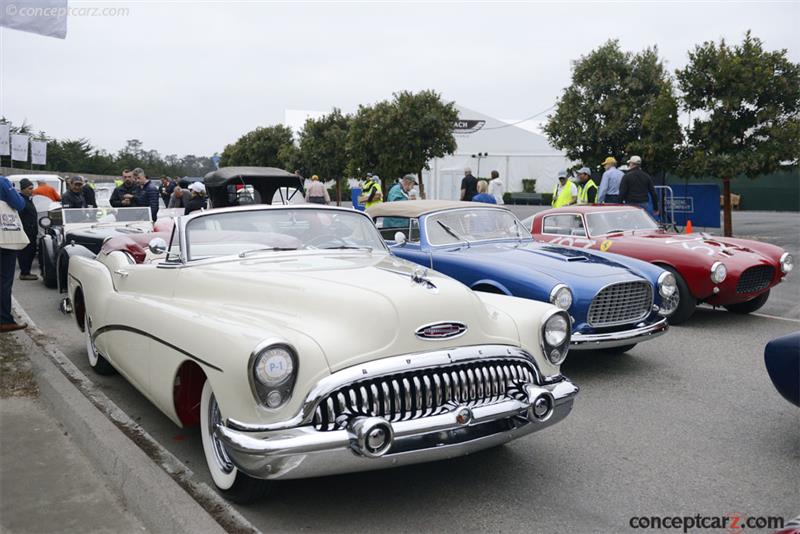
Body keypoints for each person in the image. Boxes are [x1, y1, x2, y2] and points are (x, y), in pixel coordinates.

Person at [1, 175, 28, 332]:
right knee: (4, 279)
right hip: (4, 238)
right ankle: (4, 320)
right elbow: (19, 204)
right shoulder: (2, 182)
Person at [16, 179, 39, 281]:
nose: (31, 190)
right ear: (23, 189)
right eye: (29, 188)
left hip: (32, 231)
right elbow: (19, 216)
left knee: (31, 251)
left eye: (32, 188)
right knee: (25, 253)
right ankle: (24, 273)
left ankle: (27, 271)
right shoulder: (21, 200)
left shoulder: (28, 199)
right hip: (26, 231)